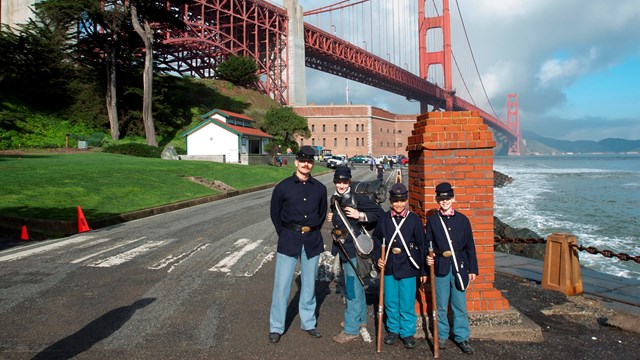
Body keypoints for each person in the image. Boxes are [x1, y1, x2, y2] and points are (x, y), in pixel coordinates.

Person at [268, 145, 328, 344]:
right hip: (289, 239)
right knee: (282, 285)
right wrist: (285, 233)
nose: (306, 164)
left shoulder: (319, 188)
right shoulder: (283, 187)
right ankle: (276, 326)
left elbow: (321, 215)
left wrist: (310, 230)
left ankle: (308, 322)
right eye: (303, 160)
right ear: (296, 162)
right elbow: (275, 214)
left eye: (310, 161)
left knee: (310, 285)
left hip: (311, 240)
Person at [327, 166, 384, 343]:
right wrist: (333, 217)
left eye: (344, 182)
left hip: (354, 249)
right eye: (338, 181)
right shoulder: (334, 198)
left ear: (349, 182)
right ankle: (359, 320)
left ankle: (351, 330)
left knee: (351, 288)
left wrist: (360, 215)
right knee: (357, 285)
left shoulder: (358, 198)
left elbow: (380, 214)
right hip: (343, 248)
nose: (341, 185)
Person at [372, 183, 427, 349]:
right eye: (396, 201)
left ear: (406, 200)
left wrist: (422, 269)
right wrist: (377, 258)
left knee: (407, 301)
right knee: (390, 300)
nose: (399, 204)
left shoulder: (414, 220)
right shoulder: (384, 219)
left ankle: (407, 332)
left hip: (409, 265)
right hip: (389, 264)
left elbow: (422, 245)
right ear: (390, 201)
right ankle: (393, 330)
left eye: (402, 200)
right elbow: (376, 239)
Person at [425, 182, 478, 355]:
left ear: (453, 198)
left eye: (447, 198)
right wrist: (428, 255)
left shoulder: (463, 220)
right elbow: (428, 243)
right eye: (441, 198)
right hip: (441, 266)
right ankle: (441, 336)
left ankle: (462, 337)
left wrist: (472, 269)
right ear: (437, 200)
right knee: (440, 305)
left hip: (459, 266)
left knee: (459, 305)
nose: (444, 201)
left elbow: (470, 245)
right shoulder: (433, 221)